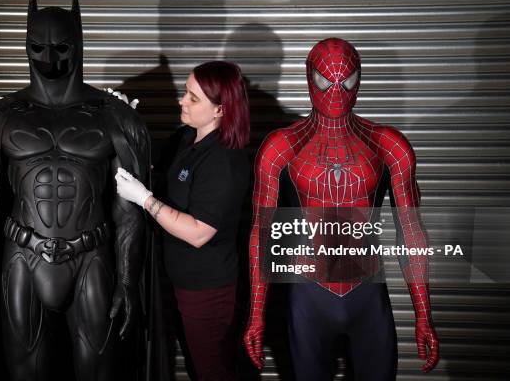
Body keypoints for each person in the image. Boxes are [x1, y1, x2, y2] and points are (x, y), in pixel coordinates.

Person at [0, 0, 150, 381]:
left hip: (91, 257)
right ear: (24, 45)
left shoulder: (113, 117)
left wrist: (128, 278)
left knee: (101, 372)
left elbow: (128, 203)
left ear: (78, 44)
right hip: (23, 257)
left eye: (60, 47)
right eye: (37, 47)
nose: (48, 58)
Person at [243, 38, 440, 380]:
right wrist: (256, 314)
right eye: (326, 80)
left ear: (359, 80)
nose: (337, 90)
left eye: (347, 81)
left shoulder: (389, 145)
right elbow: (262, 234)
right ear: (309, 79)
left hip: (365, 292)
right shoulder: (280, 147)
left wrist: (424, 314)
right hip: (308, 293)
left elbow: (412, 232)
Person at [115, 60, 250, 381]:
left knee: (212, 372)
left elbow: (199, 233)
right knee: (194, 367)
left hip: (208, 293)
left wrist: (145, 200)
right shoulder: (187, 139)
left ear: (220, 110)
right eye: (185, 93)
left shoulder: (225, 162)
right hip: (180, 284)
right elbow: (152, 162)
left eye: (193, 98)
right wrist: (124, 119)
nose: (181, 101)